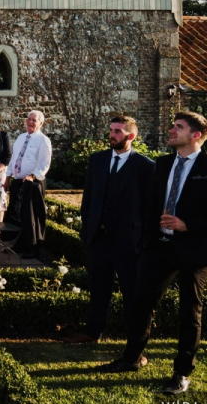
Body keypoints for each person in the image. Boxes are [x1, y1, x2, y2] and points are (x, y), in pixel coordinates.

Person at [97, 112, 207, 394]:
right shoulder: (162, 164)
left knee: (189, 312)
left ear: (195, 135)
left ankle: (182, 373)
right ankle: (132, 358)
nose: (171, 130)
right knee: (140, 301)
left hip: (195, 250)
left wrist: (188, 225)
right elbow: (150, 205)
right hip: (160, 247)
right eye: (173, 125)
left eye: (179, 127)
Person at [63, 116, 155, 345]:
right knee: (98, 289)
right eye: (111, 130)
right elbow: (89, 198)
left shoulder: (146, 166)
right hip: (98, 239)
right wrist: (87, 230)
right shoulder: (98, 160)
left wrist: (142, 241)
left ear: (130, 136)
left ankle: (134, 343)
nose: (111, 135)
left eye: (117, 131)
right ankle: (92, 333)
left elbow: (149, 208)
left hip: (128, 241)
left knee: (132, 295)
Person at [7, 110, 52, 257]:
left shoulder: (43, 140)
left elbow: (45, 164)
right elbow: (14, 159)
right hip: (19, 182)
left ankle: (32, 249)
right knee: (17, 215)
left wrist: (33, 176)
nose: (30, 122)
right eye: (29, 119)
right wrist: (8, 177)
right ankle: (19, 244)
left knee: (31, 217)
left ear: (41, 123)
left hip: (33, 184)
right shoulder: (20, 137)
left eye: (34, 120)